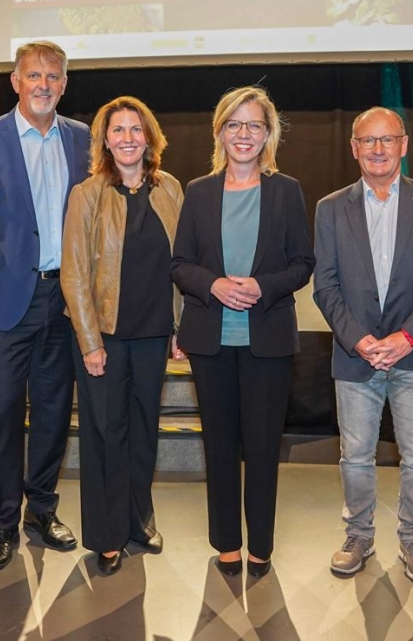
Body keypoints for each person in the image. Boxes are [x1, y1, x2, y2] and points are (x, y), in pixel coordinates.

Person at [0, 40, 91, 571]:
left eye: (53, 76)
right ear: (15, 81)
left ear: (63, 84)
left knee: (55, 412)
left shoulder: (82, 139)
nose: (43, 85)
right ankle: (4, 521)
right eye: (33, 75)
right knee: (2, 411)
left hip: (65, 301)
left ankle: (42, 510)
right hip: (5, 303)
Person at [171, 85, 314, 579]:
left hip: (267, 342)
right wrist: (213, 285)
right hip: (211, 342)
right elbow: (180, 264)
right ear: (220, 132)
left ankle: (261, 547)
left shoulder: (287, 190)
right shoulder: (198, 191)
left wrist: (261, 285)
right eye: (234, 124)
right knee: (220, 447)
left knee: (261, 449)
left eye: (254, 125)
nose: (244, 134)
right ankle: (227, 544)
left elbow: (302, 264)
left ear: (268, 133)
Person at [312, 106, 413, 582]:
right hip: (356, 357)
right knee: (355, 457)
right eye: (367, 141)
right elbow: (325, 287)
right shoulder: (331, 207)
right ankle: (358, 536)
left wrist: (406, 336)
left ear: (404, 145)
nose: (378, 149)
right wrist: (359, 340)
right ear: (354, 148)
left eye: (387, 140)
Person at [60, 96, 185, 576]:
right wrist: (90, 342)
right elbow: (73, 274)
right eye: (119, 130)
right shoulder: (87, 194)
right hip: (104, 339)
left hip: (155, 336)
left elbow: (184, 263)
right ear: (105, 140)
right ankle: (108, 534)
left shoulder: (171, 189)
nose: (128, 138)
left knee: (143, 434)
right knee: (105, 436)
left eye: (137, 129)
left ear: (149, 137)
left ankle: (138, 520)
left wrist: (180, 325)